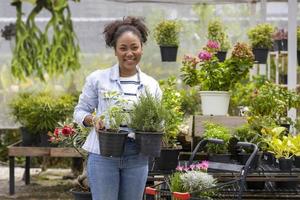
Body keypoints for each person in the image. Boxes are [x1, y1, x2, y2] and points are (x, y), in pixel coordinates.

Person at [73, 16, 162, 200]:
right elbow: (79, 112)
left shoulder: (150, 85)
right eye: (123, 48)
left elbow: (159, 121)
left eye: (134, 47)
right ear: (115, 51)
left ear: (142, 48)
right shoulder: (98, 79)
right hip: (103, 155)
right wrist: (93, 120)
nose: (129, 53)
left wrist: (155, 127)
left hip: (137, 156)